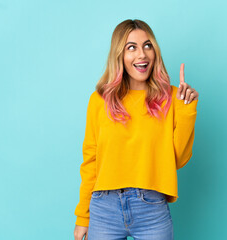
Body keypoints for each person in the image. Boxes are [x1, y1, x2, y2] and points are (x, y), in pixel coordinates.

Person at [73, 19, 199, 240]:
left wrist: (187, 111)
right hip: (104, 209)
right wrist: (83, 217)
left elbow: (176, 159)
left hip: (151, 209)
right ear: (119, 54)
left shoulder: (171, 98)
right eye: (132, 47)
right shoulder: (99, 101)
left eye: (147, 45)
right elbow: (90, 162)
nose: (142, 54)